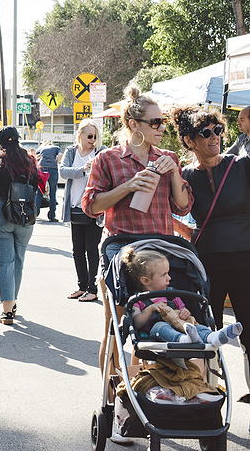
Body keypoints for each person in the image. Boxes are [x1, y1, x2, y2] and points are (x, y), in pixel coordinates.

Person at [83, 85, 192, 444]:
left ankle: (158, 402)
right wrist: (129, 185)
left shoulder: (167, 157)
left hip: (160, 256)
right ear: (134, 124)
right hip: (121, 254)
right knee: (115, 330)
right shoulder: (108, 160)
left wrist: (174, 171)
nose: (162, 128)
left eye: (163, 122)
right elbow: (92, 206)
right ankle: (113, 407)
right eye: (156, 122)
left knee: (158, 329)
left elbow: (183, 207)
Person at [172, 104, 250, 391]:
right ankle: (211, 399)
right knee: (208, 334)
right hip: (206, 267)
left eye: (218, 130)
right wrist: (179, 227)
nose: (214, 137)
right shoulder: (185, 177)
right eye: (206, 132)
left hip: (246, 261)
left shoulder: (242, 165)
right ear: (190, 141)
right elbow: (180, 213)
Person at [0, 126, 42, 326]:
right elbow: (37, 184)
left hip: (1, 217)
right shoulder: (29, 161)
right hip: (24, 217)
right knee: (19, 260)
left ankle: (7, 311)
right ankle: (12, 302)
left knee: (5, 263)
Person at [121, 247, 242, 347]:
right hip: (155, 335)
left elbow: (184, 310)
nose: (169, 278)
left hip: (182, 328)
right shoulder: (138, 300)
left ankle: (212, 337)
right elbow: (137, 322)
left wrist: (185, 312)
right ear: (146, 281)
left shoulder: (172, 296)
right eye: (164, 275)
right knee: (161, 326)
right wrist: (150, 309)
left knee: (194, 325)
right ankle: (183, 340)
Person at [59, 119, 106, 303]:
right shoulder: (71, 152)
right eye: (89, 136)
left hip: (94, 207)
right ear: (79, 134)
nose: (92, 140)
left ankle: (92, 288)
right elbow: (63, 171)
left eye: (95, 136)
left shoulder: (100, 152)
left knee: (92, 249)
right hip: (75, 207)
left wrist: (94, 168)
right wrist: (82, 169)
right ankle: (81, 286)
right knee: (77, 250)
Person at [37, 139, 63, 221]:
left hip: (42, 169)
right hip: (53, 169)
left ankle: (35, 213)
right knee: (52, 193)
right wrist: (56, 162)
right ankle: (52, 216)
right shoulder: (56, 147)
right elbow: (60, 155)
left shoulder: (40, 148)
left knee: (39, 193)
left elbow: (35, 157)